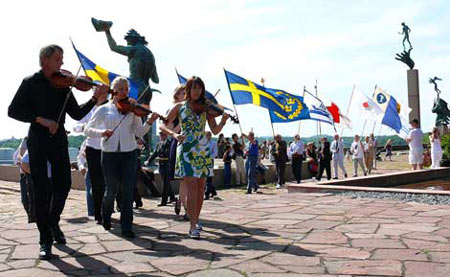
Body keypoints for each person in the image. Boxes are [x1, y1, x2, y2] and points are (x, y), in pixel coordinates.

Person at [8, 44, 108, 260]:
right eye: (58, 59)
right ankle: (45, 239)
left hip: (59, 139)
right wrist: (39, 119)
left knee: (63, 184)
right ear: (45, 60)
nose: (62, 63)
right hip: (38, 138)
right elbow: (13, 110)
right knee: (41, 189)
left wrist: (94, 99)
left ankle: (53, 221)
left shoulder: (63, 85)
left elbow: (76, 113)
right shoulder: (30, 82)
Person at [84, 76, 159, 239]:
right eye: (121, 89)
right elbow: (87, 130)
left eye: (126, 89)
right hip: (109, 154)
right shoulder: (104, 109)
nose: (125, 92)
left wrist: (150, 122)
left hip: (129, 153)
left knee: (127, 191)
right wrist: (102, 133)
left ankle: (127, 226)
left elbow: (139, 133)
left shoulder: (132, 110)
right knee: (110, 190)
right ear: (114, 90)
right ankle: (106, 216)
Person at [161, 76, 229, 239]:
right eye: (194, 88)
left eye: (199, 88)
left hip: (203, 148)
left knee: (200, 188)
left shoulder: (206, 108)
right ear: (188, 90)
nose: (197, 91)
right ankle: (192, 226)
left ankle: (196, 220)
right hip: (186, 148)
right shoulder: (179, 107)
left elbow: (214, 130)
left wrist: (224, 122)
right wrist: (174, 134)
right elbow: (164, 124)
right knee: (191, 185)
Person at [73, 88, 109, 224]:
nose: (101, 93)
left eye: (104, 90)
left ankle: (107, 211)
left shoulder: (111, 107)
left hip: (108, 148)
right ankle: (98, 213)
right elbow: (75, 126)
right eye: (98, 90)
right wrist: (84, 127)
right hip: (93, 149)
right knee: (96, 184)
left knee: (110, 183)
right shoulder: (88, 107)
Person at [160, 85, 185, 217]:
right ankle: (183, 203)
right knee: (184, 178)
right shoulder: (175, 110)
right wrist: (181, 125)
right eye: (183, 93)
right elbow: (165, 127)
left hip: (191, 144)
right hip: (179, 143)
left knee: (187, 179)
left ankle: (182, 201)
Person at [145, 132, 175, 206]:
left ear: (166, 135)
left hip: (167, 165)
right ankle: (172, 197)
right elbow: (155, 153)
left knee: (165, 183)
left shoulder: (169, 143)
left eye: (163, 135)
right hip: (161, 165)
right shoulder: (159, 144)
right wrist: (148, 160)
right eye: (161, 135)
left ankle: (163, 202)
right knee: (166, 182)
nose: (162, 136)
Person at [77, 140, 94, 217]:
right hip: (90, 169)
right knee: (90, 192)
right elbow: (80, 157)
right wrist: (81, 167)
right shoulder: (86, 142)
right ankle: (91, 213)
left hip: (103, 169)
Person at [205, 131, 218, 199]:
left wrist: (208, 157)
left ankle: (207, 194)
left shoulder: (213, 143)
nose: (207, 137)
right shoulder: (203, 142)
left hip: (210, 161)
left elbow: (215, 153)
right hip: (203, 161)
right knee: (205, 177)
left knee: (209, 177)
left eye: (208, 135)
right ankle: (213, 191)